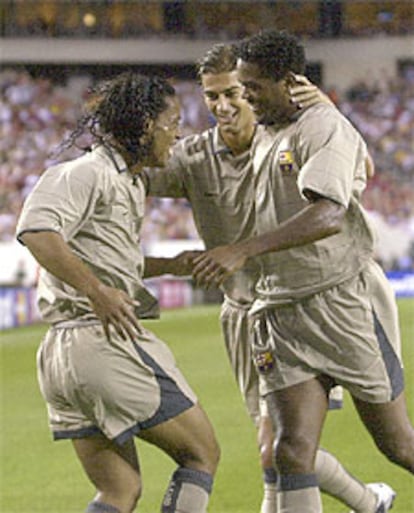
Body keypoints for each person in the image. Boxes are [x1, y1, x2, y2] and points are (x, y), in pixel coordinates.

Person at [144, 43, 396, 513]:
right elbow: (137, 172)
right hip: (249, 313)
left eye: (234, 93)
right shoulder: (194, 158)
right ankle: (369, 502)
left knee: (360, 443)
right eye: (211, 96)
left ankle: (369, 501)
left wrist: (327, 110)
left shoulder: (289, 129)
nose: (221, 106)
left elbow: (357, 172)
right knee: (283, 451)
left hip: (327, 295)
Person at [15, 72, 220, 513]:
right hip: (102, 341)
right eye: (173, 120)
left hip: (61, 357)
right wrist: (97, 292)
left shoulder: (127, 179)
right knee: (201, 453)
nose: (179, 131)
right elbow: (36, 231)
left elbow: (105, 257)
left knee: (119, 491)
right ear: (146, 125)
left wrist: (170, 266)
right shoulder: (85, 172)